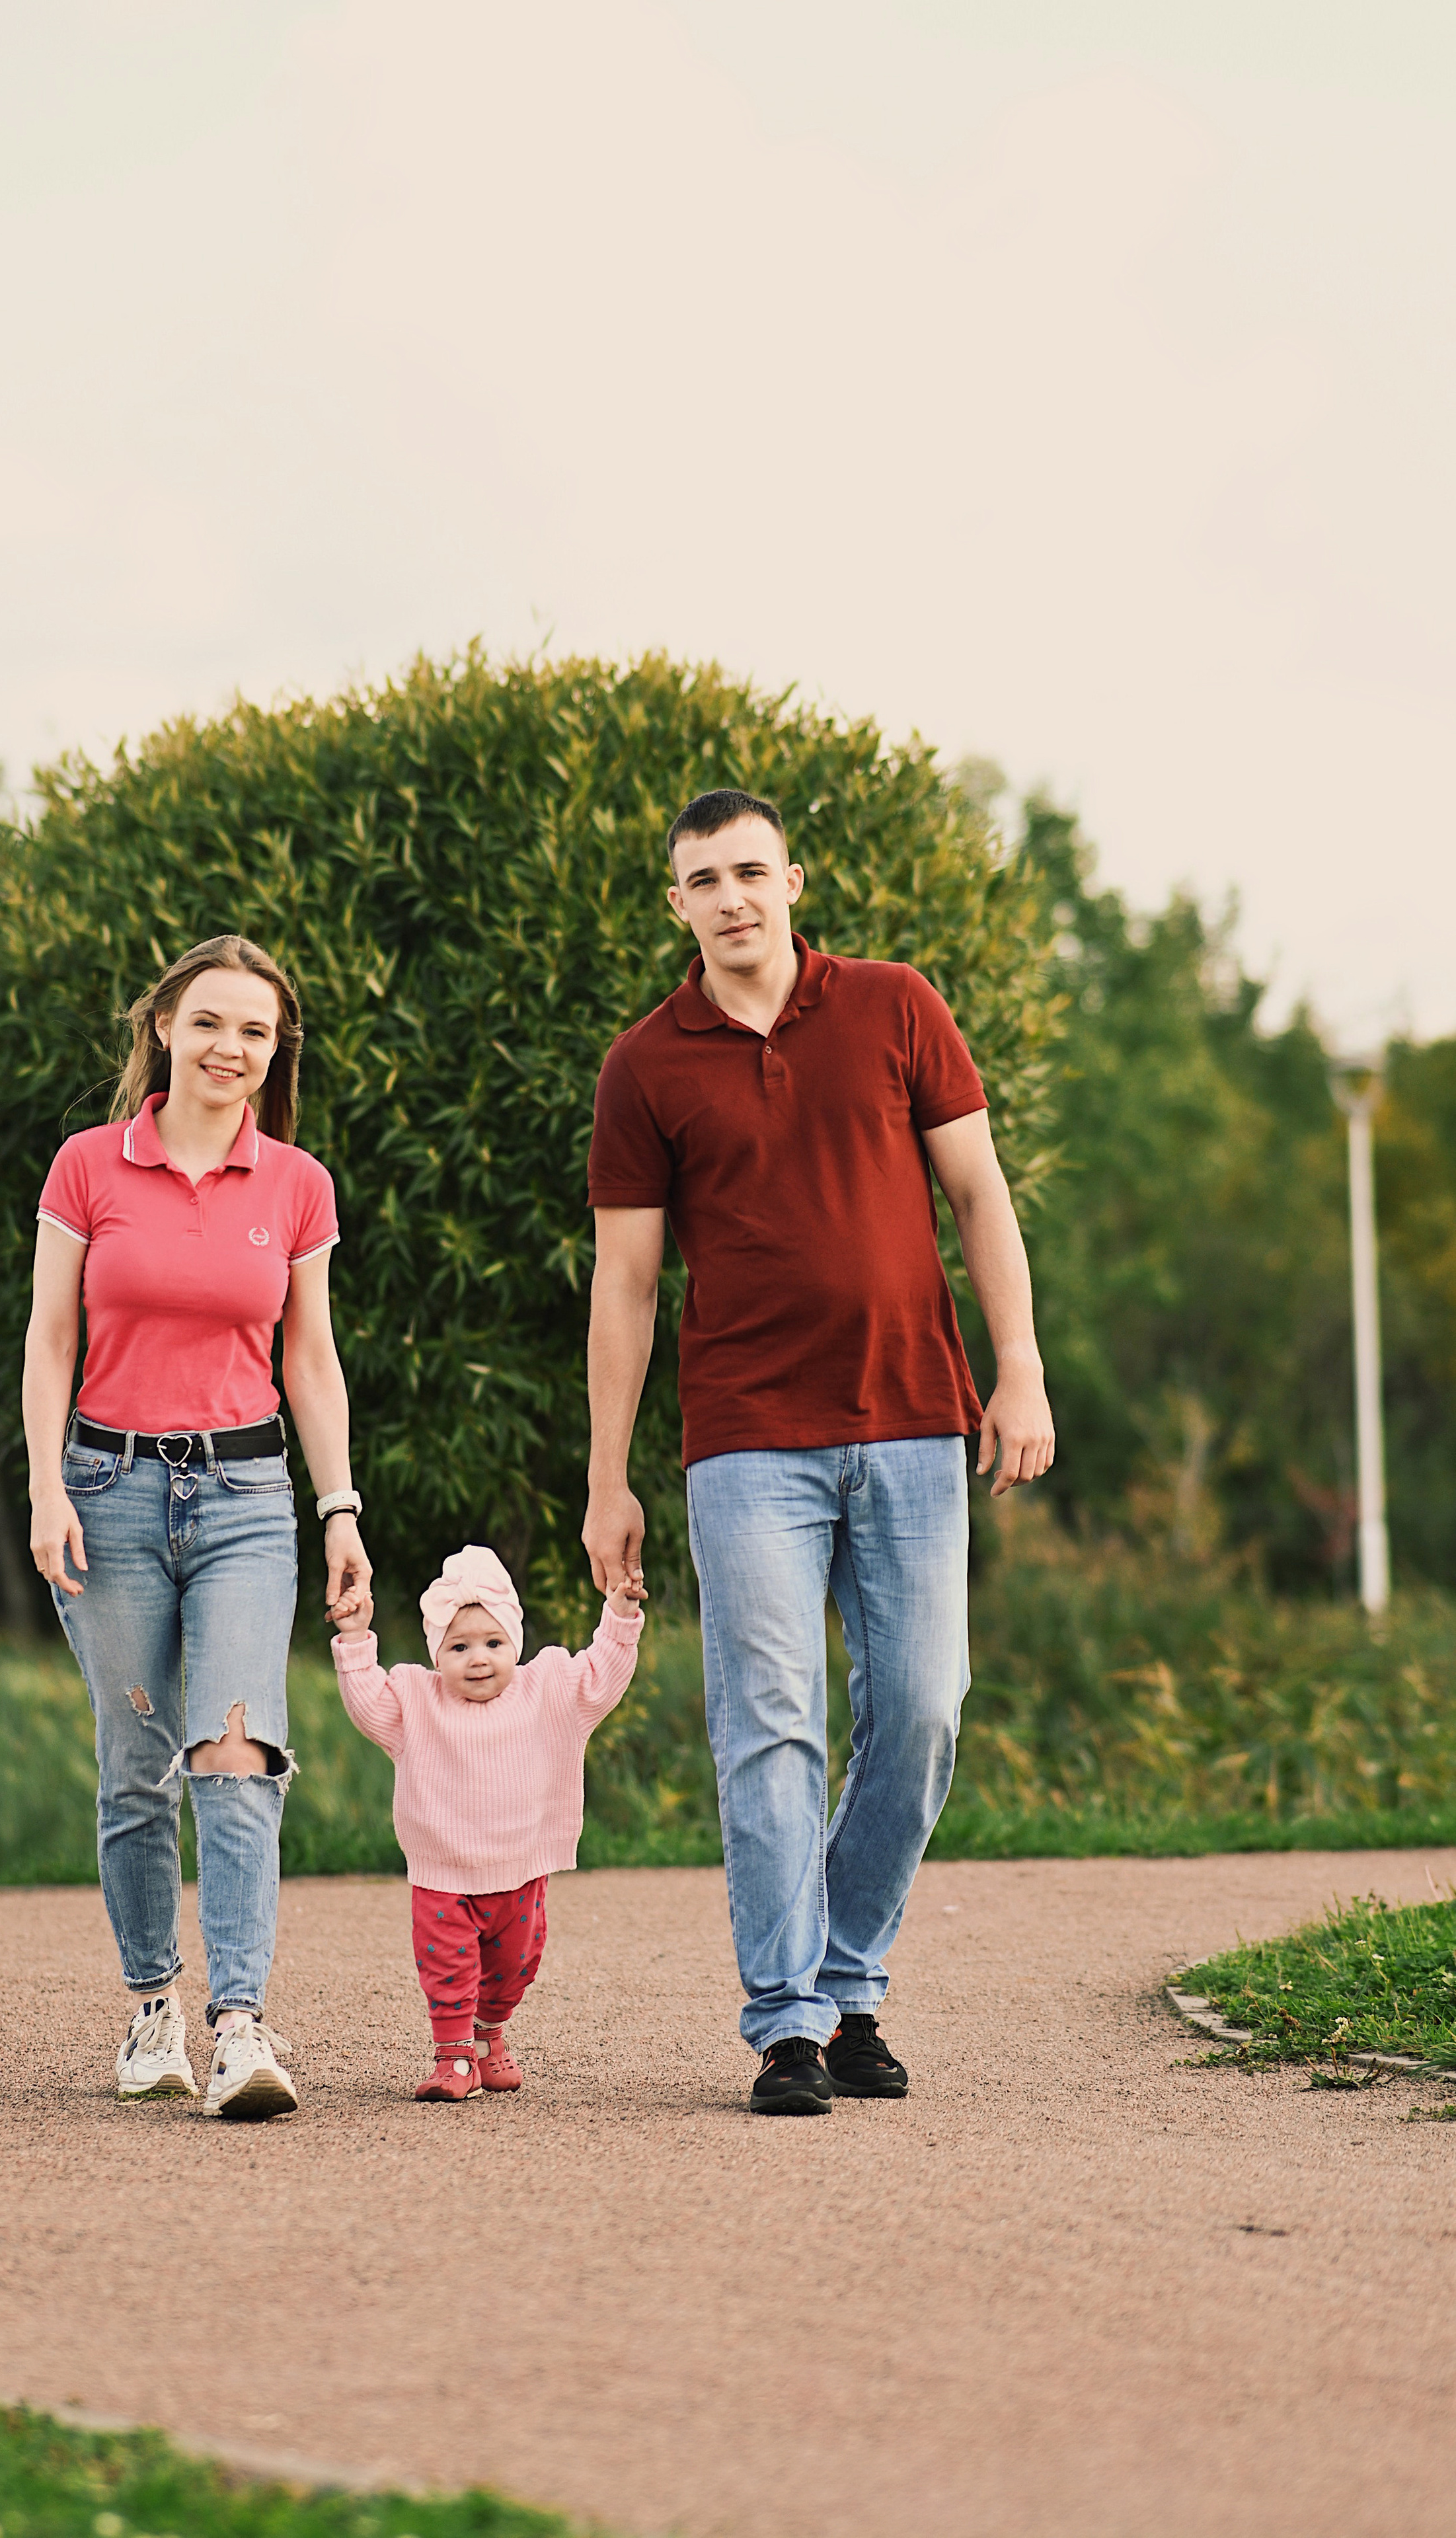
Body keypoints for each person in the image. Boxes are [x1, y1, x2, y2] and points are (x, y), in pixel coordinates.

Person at [583, 790, 1054, 2115]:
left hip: (911, 1414)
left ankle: (848, 1981)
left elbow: (976, 1193)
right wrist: (604, 1477)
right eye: (700, 880)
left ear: (791, 879)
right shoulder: (645, 1066)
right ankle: (789, 2022)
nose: (730, 897)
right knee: (768, 1724)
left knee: (919, 1708)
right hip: (742, 1441)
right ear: (675, 904)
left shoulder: (894, 1007)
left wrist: (1015, 1372)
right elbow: (623, 1286)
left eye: (747, 871)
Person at [22, 933, 371, 2120]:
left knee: (236, 1747)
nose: (232, 1049)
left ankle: (240, 2026)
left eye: (257, 1033)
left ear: (277, 1055)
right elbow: (50, 1340)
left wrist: (341, 1508)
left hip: (246, 1500)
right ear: (163, 1026)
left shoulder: (298, 1183)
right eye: (211, 1022)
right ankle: (152, 2009)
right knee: (135, 1767)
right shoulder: (87, 1166)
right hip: (107, 1491)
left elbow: (311, 1359)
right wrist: (43, 1486)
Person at [332, 1544, 644, 2101]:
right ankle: (452, 2056)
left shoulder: (548, 1689)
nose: (478, 1658)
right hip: (443, 1874)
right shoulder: (416, 1701)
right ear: (437, 1653)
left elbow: (602, 1674)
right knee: (448, 1969)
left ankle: (488, 2036)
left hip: (521, 1869)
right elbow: (366, 1703)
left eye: (493, 1643)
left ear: (514, 1643)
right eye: (459, 1646)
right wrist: (356, 1639)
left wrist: (619, 1616)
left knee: (515, 1967)